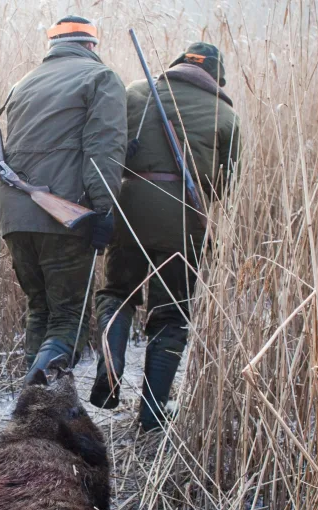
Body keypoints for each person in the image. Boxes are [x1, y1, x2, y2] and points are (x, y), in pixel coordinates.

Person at [88, 42, 240, 431]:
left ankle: (111, 368)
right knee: (171, 315)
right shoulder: (225, 114)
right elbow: (226, 185)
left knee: (117, 293)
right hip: (186, 219)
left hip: (130, 205)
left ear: (176, 66)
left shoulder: (137, 91)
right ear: (216, 77)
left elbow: (109, 145)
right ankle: (152, 415)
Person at [0, 16, 128, 384]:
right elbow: (105, 152)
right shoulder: (101, 78)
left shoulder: (22, 84)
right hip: (64, 217)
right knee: (68, 319)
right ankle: (36, 388)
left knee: (39, 310)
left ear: (54, 46)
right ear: (91, 46)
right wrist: (103, 211)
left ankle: (33, 417)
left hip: (15, 217)